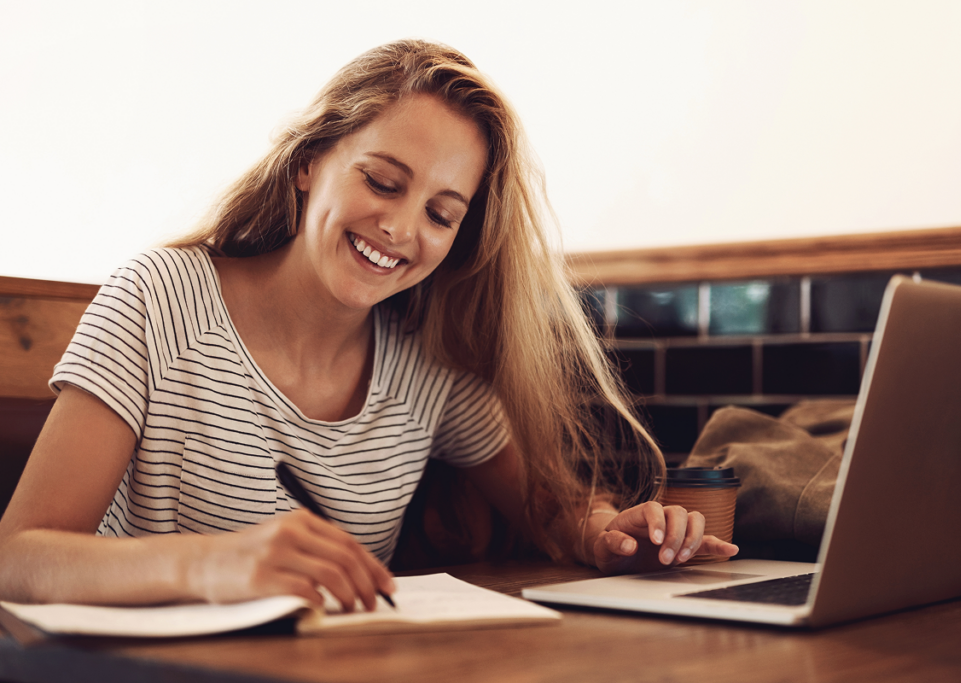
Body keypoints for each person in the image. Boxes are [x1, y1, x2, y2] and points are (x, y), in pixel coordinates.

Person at [0, 40, 737, 611]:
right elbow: (18, 556)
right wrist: (213, 563)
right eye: (382, 181)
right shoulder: (160, 298)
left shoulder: (426, 358)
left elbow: (550, 509)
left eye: (441, 214)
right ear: (309, 162)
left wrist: (606, 532)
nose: (399, 227)